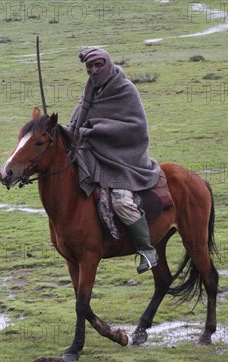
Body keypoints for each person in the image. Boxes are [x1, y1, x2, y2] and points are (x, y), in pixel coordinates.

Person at [68, 48, 162, 274]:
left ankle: (147, 250)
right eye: (89, 67)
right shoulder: (91, 88)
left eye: (98, 65)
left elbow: (136, 127)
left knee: (121, 201)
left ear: (108, 64)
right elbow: (78, 118)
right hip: (93, 153)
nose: (93, 70)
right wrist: (64, 131)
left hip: (123, 158)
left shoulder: (125, 89)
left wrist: (96, 129)